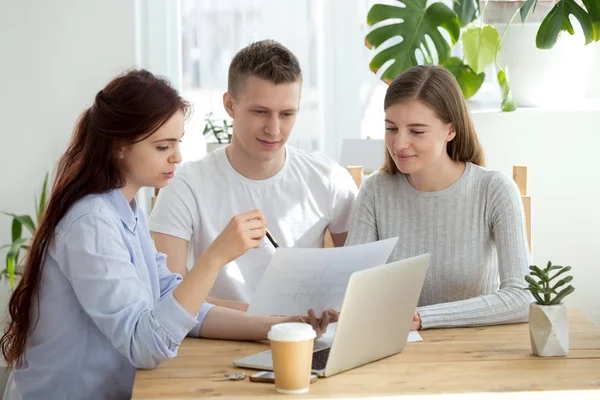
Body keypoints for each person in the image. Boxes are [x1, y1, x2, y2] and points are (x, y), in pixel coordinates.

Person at [0, 70, 335, 400]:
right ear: (119, 147)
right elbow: (145, 345)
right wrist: (216, 257)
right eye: (163, 146)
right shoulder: (92, 224)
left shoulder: (126, 211)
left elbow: (182, 308)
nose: (177, 157)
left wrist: (282, 325)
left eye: (178, 143)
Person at [149, 40, 358, 311]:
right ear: (229, 104)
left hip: (301, 338)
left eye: (286, 114)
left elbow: (359, 284)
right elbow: (168, 300)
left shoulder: (330, 180)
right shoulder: (184, 185)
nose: (274, 129)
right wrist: (270, 318)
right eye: (260, 112)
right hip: (214, 342)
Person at [345, 65, 530, 330]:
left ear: (450, 130)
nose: (399, 144)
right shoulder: (375, 191)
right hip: (394, 352)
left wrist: (424, 318)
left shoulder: (494, 190)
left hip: (477, 353)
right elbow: (350, 288)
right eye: (391, 128)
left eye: (417, 131)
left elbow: (523, 297)